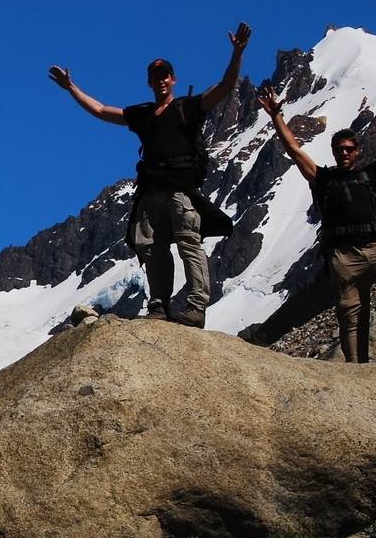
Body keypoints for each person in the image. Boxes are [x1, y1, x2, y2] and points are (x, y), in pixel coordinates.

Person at [47, 23, 249, 327]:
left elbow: (224, 87)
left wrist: (237, 53)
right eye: (155, 78)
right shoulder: (142, 114)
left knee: (188, 243)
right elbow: (102, 110)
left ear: (173, 79)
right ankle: (159, 305)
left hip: (181, 190)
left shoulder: (187, 107)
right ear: (150, 83)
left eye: (164, 75)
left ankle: (196, 306)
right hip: (151, 192)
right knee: (152, 249)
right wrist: (72, 88)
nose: (161, 81)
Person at [257, 85, 376, 367]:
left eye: (348, 149)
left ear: (357, 152)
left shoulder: (372, 175)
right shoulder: (322, 178)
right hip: (343, 255)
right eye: (339, 149)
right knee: (350, 315)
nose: (343, 153)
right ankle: (356, 369)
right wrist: (276, 115)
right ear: (333, 152)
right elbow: (293, 149)